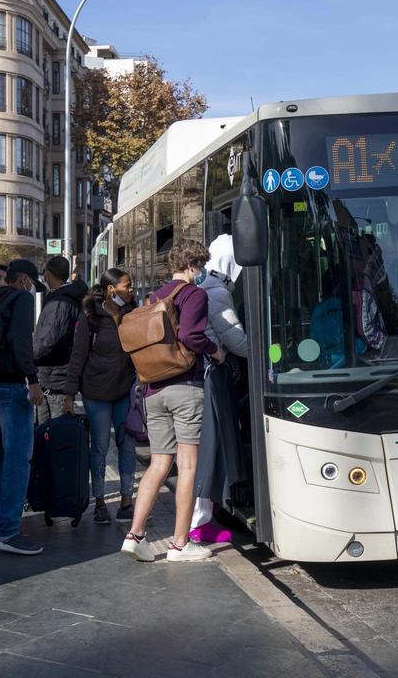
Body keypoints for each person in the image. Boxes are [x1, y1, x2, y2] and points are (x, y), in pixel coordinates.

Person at [122, 239, 224, 563]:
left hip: (152, 389)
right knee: (188, 464)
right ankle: (180, 544)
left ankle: (135, 535)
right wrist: (215, 350)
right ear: (194, 265)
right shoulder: (195, 294)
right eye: (201, 265)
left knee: (159, 463)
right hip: (184, 387)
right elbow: (190, 337)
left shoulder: (155, 295)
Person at [61, 268, 138, 526]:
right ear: (110, 289)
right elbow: (78, 357)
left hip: (124, 391)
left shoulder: (133, 313)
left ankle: (127, 501)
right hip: (96, 393)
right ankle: (100, 502)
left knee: (127, 445)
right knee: (101, 447)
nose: (132, 289)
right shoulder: (90, 318)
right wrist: (69, 394)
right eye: (127, 285)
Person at [0, 258, 47, 555]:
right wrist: (32, 380)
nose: (31, 289)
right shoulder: (20, 299)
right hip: (11, 383)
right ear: (22, 279)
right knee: (18, 459)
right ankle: (8, 531)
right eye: (32, 283)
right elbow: (21, 341)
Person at [191, 235, 248, 544]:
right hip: (214, 377)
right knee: (211, 447)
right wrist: (272, 354)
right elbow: (236, 339)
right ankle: (198, 523)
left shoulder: (208, 289)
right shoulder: (217, 294)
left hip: (208, 376)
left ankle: (203, 517)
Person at [32, 256, 88, 425]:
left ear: (48, 274)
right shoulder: (66, 298)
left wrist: (25, 357)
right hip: (56, 378)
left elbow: (48, 340)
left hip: (55, 380)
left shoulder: (60, 302)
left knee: (52, 434)